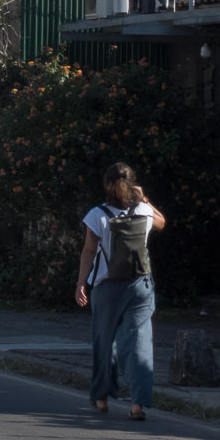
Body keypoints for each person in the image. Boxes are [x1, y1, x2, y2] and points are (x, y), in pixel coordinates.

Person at [75, 162, 166, 420]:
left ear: (107, 185)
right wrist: (144, 198)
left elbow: (89, 251)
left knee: (104, 341)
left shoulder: (98, 214)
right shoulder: (144, 211)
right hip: (140, 286)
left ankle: (102, 398)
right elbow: (163, 222)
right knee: (139, 343)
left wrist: (81, 282)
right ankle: (138, 404)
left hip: (107, 287)